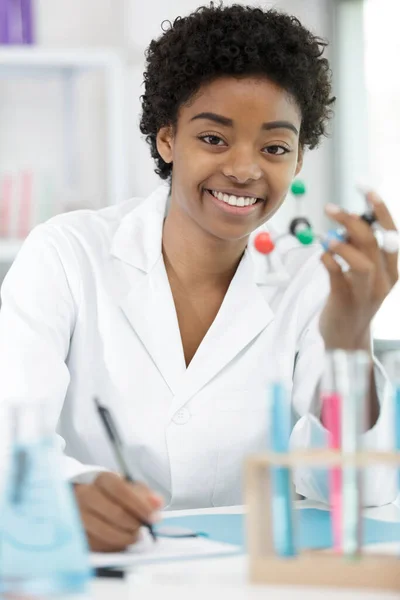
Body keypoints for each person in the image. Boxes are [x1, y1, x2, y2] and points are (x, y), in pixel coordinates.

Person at [0, 3, 398, 553]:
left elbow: (357, 486)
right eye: (213, 138)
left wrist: (351, 338)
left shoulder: (310, 279)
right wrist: (65, 490)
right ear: (167, 139)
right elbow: (8, 439)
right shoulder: (66, 256)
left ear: (299, 160)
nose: (244, 168)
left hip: (246, 581)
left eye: (275, 147)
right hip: (90, 571)